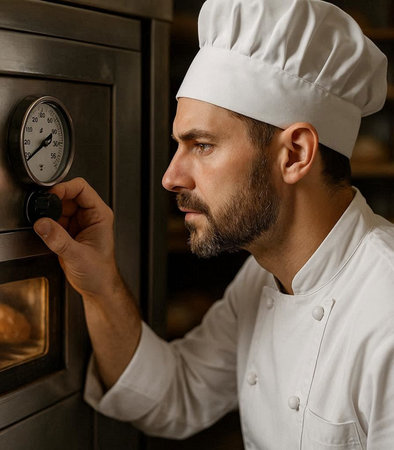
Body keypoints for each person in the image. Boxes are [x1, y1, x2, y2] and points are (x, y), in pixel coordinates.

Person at [33, 0, 394, 448]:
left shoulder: (386, 310)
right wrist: (100, 283)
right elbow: (175, 396)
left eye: (201, 145)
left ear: (295, 154)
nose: (171, 177)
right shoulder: (264, 274)